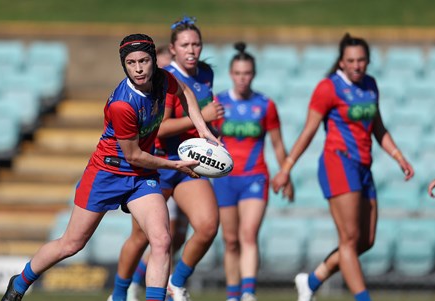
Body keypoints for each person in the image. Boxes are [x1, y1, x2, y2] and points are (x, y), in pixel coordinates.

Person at [0, 33, 218, 301]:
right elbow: (135, 155)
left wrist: (202, 129)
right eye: (131, 62)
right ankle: (20, 282)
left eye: (144, 61)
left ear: (153, 61)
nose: (138, 68)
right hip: (107, 173)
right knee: (71, 244)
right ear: (123, 65)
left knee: (161, 240)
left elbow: (184, 92)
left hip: (141, 178)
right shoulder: (123, 104)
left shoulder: (162, 80)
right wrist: (175, 165)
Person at [272, 33, 414, 301]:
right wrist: (286, 168)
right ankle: (363, 298)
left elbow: (378, 127)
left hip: (363, 166)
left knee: (366, 240)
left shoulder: (371, 85)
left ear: (368, 61)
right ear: (342, 62)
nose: (357, 65)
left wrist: (398, 156)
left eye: (361, 60)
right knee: (349, 238)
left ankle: (312, 280)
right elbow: (309, 131)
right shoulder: (329, 88)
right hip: (338, 162)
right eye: (351, 60)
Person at [109, 16, 224, 301]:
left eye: (196, 44)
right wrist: (201, 120)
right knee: (141, 237)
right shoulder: (164, 78)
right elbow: (161, 126)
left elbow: (202, 116)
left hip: (188, 164)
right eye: (185, 44)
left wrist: (209, 132)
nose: (192, 50)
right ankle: (119, 294)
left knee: (208, 225)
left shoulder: (206, 73)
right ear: (172, 49)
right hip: (157, 163)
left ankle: (177, 282)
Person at [212, 42, 293, 301]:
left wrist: (285, 172)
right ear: (231, 74)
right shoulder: (218, 104)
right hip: (225, 180)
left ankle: (248, 292)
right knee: (231, 239)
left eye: (246, 73)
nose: (242, 78)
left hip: (254, 177)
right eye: (237, 73)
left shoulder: (265, 105)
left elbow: (278, 143)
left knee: (248, 234)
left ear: (253, 74)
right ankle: (232, 294)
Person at [124, 37, 191, 301]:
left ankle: (147, 279)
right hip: (156, 167)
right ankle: (125, 287)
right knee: (153, 236)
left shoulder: (173, 85)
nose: (143, 70)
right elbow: (159, 130)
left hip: (177, 164)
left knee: (175, 238)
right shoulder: (139, 96)